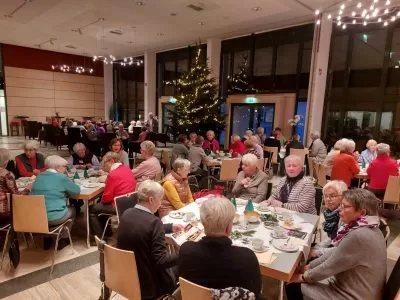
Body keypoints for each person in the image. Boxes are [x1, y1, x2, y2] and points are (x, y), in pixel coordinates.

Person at [287, 189, 386, 300]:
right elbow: (336, 251)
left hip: (353, 295)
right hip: (359, 289)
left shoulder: (359, 235)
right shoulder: (370, 227)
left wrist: (304, 277)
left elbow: (330, 266)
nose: (340, 209)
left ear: (362, 213)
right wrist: (309, 266)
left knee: (293, 285)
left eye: (345, 206)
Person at [179, 197, 262, 298]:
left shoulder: (186, 250)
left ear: (203, 224)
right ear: (228, 228)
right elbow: (255, 294)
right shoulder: (247, 257)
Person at [117, 180, 183, 300]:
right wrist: (183, 252)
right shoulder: (154, 222)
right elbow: (161, 261)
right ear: (152, 200)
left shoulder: (127, 213)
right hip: (150, 283)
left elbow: (142, 227)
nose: (161, 203)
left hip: (128, 276)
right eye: (160, 199)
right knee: (184, 262)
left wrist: (170, 227)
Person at [31, 155, 80, 250]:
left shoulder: (39, 176)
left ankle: (47, 239)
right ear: (57, 167)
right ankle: (63, 239)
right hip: (54, 217)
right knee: (73, 209)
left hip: (37, 217)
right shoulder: (61, 177)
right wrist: (66, 178)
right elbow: (76, 192)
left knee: (48, 207)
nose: (66, 169)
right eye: (64, 167)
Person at [89, 152, 136, 239]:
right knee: (100, 204)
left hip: (119, 205)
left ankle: (98, 238)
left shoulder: (113, 174)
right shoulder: (126, 169)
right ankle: (107, 232)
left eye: (104, 163)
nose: (103, 166)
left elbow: (106, 198)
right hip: (130, 202)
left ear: (111, 161)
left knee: (92, 209)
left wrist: (102, 199)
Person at [314, 180, 348, 251]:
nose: (328, 199)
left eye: (332, 196)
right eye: (325, 196)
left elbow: (340, 248)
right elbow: (333, 239)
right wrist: (317, 247)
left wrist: (317, 252)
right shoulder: (329, 213)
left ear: (343, 197)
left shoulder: (344, 216)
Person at [0, 148, 31, 221]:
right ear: (5, 161)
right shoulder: (7, 175)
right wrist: (27, 189)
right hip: (3, 212)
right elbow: (16, 195)